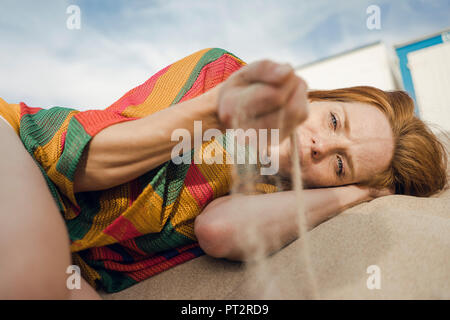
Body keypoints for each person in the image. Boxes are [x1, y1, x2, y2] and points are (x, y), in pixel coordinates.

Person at [0, 48, 447, 299]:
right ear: (319, 96)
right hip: (26, 152)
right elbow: (86, 164)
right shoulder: (222, 76)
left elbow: (220, 229)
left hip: (77, 262)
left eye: (339, 163)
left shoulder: (274, 192)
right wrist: (215, 113)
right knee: (30, 275)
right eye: (334, 122)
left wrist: (358, 195)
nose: (320, 144)